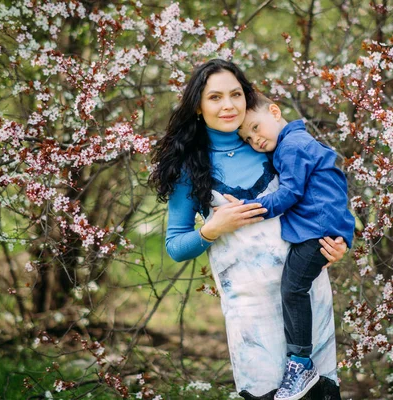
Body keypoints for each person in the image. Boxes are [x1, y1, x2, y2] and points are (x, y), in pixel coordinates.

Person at [148, 59, 347, 400]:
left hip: (306, 297)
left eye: (235, 94)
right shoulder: (190, 166)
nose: (228, 105)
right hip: (251, 316)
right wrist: (212, 229)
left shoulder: (271, 144)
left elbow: (323, 197)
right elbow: (175, 245)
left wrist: (336, 243)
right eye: (215, 97)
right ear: (198, 105)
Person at [236, 95, 355, 400]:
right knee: (293, 288)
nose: (255, 140)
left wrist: (250, 208)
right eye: (248, 138)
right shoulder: (294, 143)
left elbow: (289, 193)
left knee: (292, 289)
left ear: (275, 112)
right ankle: (300, 361)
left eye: (256, 128)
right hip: (321, 227)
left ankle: (300, 363)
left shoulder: (292, 145)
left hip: (317, 231)